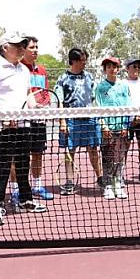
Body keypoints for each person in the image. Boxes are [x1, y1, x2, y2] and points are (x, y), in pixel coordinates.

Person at [0, 32, 49, 226]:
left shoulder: (24, 71)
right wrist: (3, 117)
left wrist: (35, 107)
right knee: (1, 166)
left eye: (23, 45)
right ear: (5, 47)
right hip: (2, 128)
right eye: (17, 45)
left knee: (22, 164)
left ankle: (25, 200)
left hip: (23, 125)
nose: (21, 48)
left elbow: (28, 95)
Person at [55, 48, 102, 195]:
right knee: (70, 152)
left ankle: (101, 178)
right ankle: (69, 182)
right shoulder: (63, 79)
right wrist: (62, 122)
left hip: (90, 120)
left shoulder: (89, 77)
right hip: (71, 121)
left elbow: (94, 100)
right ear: (74, 61)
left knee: (93, 149)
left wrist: (99, 119)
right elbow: (59, 102)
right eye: (82, 60)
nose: (85, 63)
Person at [19, 35, 54, 201]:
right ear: (23, 49)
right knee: (19, 156)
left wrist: (46, 105)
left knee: (38, 153)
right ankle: (16, 189)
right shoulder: (18, 69)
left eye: (36, 48)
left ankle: (37, 186)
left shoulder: (41, 70)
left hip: (39, 119)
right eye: (31, 47)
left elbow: (45, 92)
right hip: (23, 120)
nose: (35, 51)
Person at [94, 56, 132, 199]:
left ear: (118, 69)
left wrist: (125, 125)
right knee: (107, 157)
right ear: (105, 69)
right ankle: (108, 185)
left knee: (120, 158)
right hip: (107, 129)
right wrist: (103, 126)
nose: (112, 69)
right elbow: (97, 108)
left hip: (121, 128)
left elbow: (128, 107)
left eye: (114, 67)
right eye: (109, 67)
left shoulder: (123, 86)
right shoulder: (100, 87)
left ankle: (118, 183)